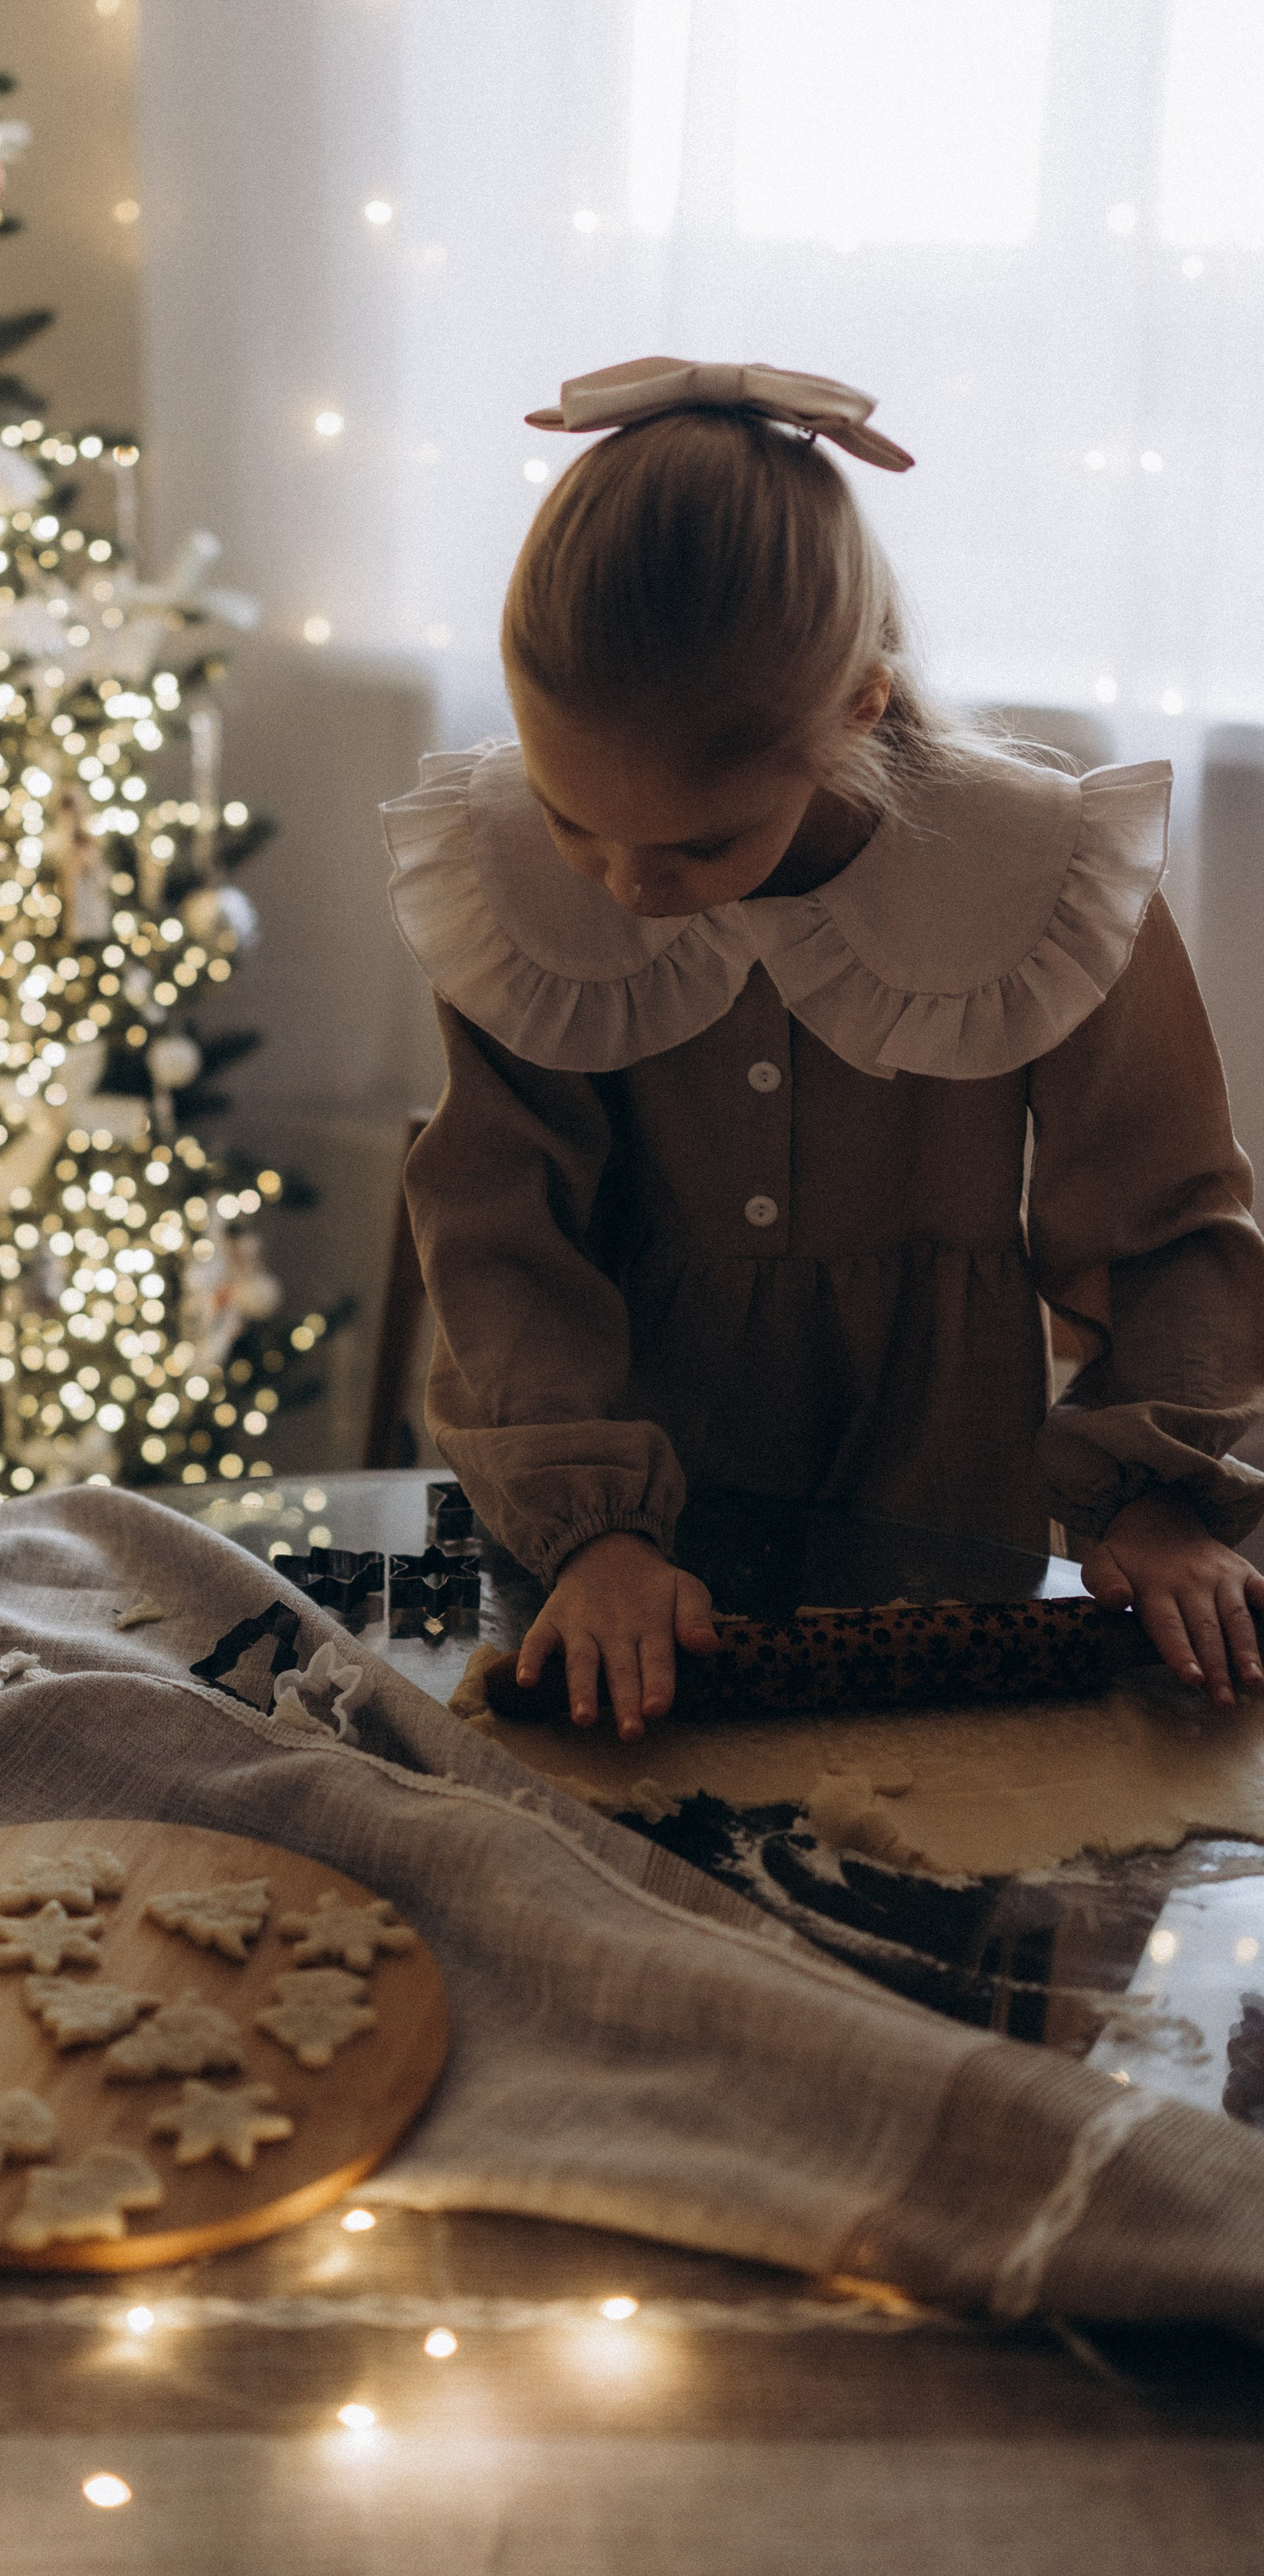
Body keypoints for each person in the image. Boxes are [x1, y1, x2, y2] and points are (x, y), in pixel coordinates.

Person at [383, 356, 1264, 1739]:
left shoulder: (1038, 875)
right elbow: (505, 1237)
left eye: (698, 844)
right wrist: (593, 1528)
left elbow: (1169, 1217)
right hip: (608, 1551)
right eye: (573, 820)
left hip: (940, 1509)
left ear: (857, 709)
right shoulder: (514, 884)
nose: (625, 885)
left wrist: (1151, 1492)